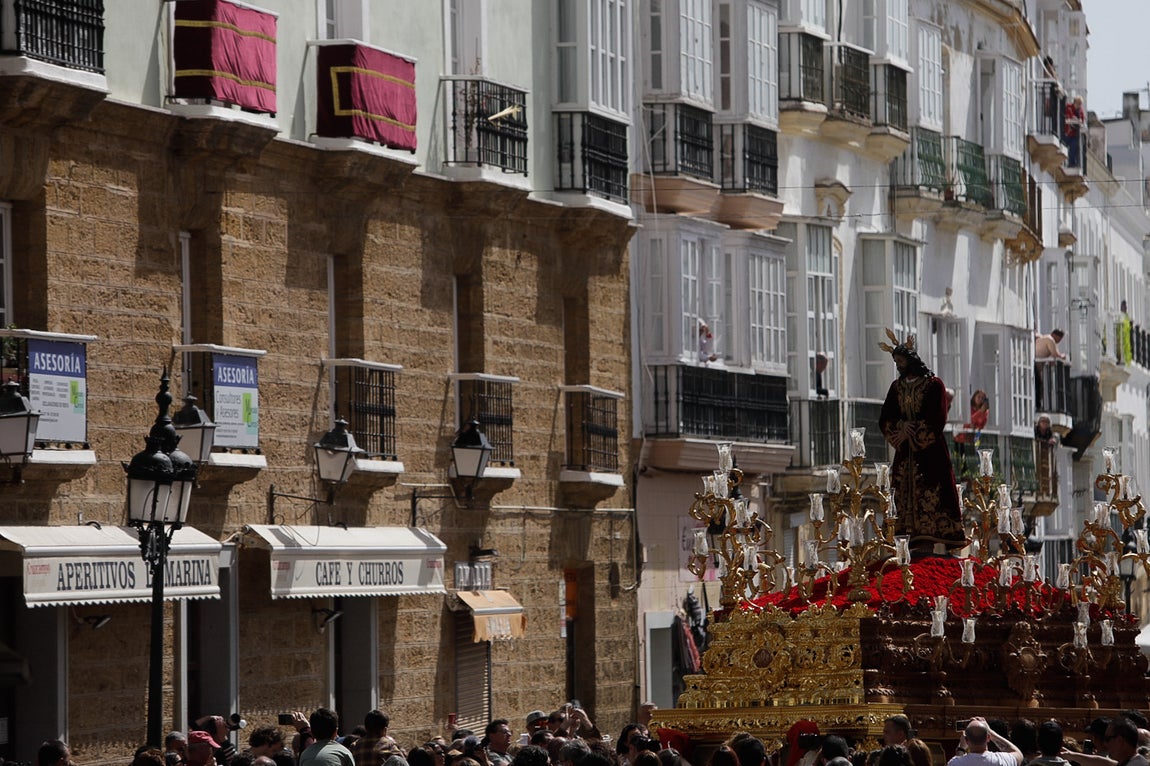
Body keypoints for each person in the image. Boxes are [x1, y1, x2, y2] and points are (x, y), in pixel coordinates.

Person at [878, 331, 967, 554]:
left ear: (911, 360)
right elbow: (885, 417)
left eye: (901, 361)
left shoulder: (933, 385)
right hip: (905, 454)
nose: (898, 365)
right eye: (896, 361)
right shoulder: (896, 388)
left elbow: (937, 418)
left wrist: (913, 432)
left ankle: (934, 541)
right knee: (902, 495)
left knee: (932, 494)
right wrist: (899, 428)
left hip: (930, 453)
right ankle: (905, 541)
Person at [950, 718, 1022, 766]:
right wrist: (991, 732)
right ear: (988, 738)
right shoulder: (1002, 760)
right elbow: (1018, 754)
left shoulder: (956, 763)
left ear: (966, 740)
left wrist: (961, 749)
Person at [1064, 96, 1086, 168]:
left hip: (1074, 134)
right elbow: (1067, 117)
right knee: (1064, 147)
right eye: (1078, 103)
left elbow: (1081, 121)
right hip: (1067, 132)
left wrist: (1078, 121)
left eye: (1080, 104)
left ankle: (1072, 163)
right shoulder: (1069, 107)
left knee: (1073, 149)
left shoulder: (1080, 111)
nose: (1079, 105)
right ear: (1075, 102)